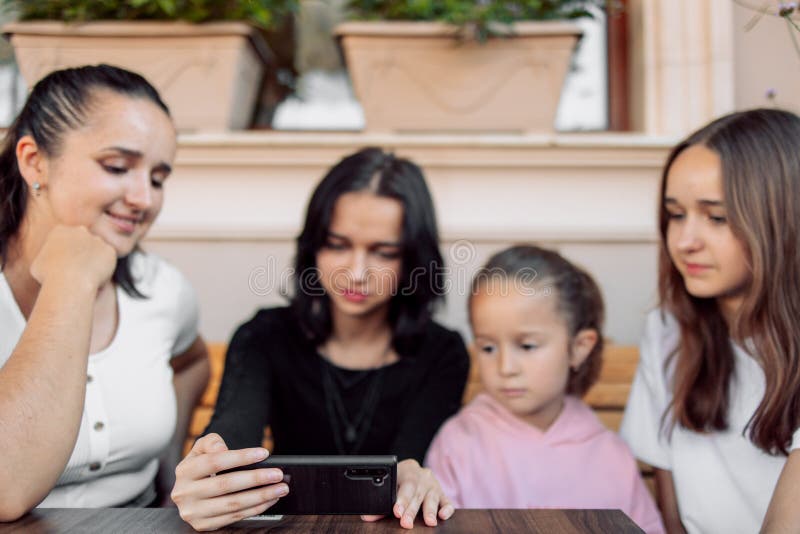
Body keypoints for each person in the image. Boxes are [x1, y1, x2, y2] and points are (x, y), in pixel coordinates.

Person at [171, 147, 470, 531]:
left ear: (413, 260)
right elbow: (232, 435)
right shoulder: (264, 336)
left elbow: (414, 464)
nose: (357, 273)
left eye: (384, 252)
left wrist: (417, 478)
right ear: (313, 247)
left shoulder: (441, 353)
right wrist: (209, 474)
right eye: (337, 245)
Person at [0, 65, 210, 520]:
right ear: (34, 160)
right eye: (117, 167)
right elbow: (6, 487)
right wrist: (71, 279)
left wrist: (170, 466)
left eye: (158, 178)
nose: (144, 199)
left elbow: (192, 359)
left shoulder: (162, 289)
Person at [620, 108, 800, 533]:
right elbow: (673, 516)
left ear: (783, 218)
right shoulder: (668, 331)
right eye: (676, 214)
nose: (684, 241)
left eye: (716, 217)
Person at [424, 245, 664, 533]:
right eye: (488, 347)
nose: (506, 367)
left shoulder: (609, 453)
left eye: (527, 346)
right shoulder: (458, 445)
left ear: (578, 348)